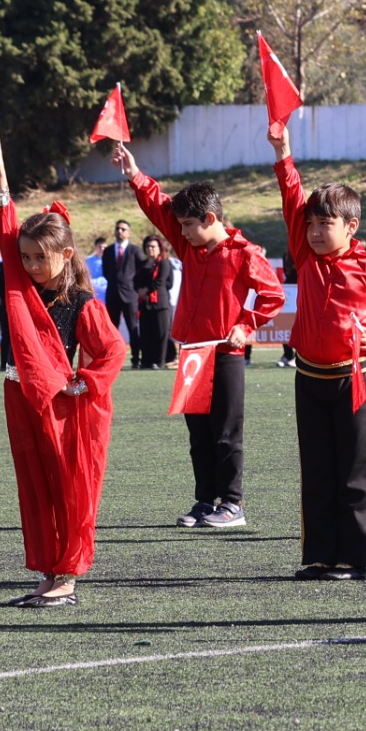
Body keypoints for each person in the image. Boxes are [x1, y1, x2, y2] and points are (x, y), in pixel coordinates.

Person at [270, 120, 366, 577]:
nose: (316, 231)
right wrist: (284, 154)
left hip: (354, 379)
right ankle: (319, 556)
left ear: (351, 226)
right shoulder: (303, 251)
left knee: (353, 473)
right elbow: (291, 197)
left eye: (327, 224)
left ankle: (354, 559)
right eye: (312, 224)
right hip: (308, 377)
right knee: (316, 472)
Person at [0, 134, 124, 606]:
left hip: (60, 406)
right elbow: (6, 231)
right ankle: (48, 570)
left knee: (67, 490)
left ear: (66, 254)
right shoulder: (21, 288)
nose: (32, 265)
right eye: (26, 257)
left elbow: (112, 351)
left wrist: (83, 383)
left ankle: (67, 575)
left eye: (42, 256)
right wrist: (1, 181)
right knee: (35, 490)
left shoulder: (81, 301)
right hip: (19, 398)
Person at [110, 142, 285, 527]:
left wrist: (245, 325)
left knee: (225, 432)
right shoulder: (192, 244)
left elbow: (274, 293)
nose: (181, 233)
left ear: (209, 218)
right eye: (181, 226)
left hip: (225, 353)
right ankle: (205, 501)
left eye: (188, 225)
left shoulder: (244, 252)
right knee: (198, 435)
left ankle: (233, 504)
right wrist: (134, 175)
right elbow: (159, 207)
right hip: (192, 352)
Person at [133, 234, 177, 367]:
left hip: (160, 304)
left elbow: (161, 281)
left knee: (161, 334)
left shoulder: (164, 263)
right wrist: (139, 290)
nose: (150, 249)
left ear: (159, 248)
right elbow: (135, 280)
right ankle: (146, 361)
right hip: (145, 304)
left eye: (153, 246)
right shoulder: (142, 264)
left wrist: (146, 290)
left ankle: (160, 361)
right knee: (146, 333)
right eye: (147, 246)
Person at [97, 218, 142, 346]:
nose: (120, 231)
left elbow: (141, 271)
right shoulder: (108, 251)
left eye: (123, 229)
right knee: (111, 328)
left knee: (132, 327)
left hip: (130, 295)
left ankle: (136, 358)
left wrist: (135, 288)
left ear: (129, 233)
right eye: (117, 229)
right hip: (113, 294)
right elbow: (106, 272)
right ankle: (112, 356)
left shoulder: (135, 250)